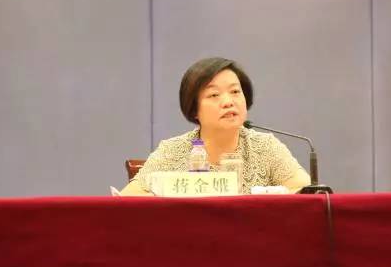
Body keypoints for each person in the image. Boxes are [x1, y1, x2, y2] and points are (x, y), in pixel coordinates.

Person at [120, 57, 311, 195]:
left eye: (235, 91)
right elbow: (128, 199)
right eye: (214, 95)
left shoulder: (265, 147)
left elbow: (308, 194)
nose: (228, 102)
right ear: (194, 109)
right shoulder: (172, 152)